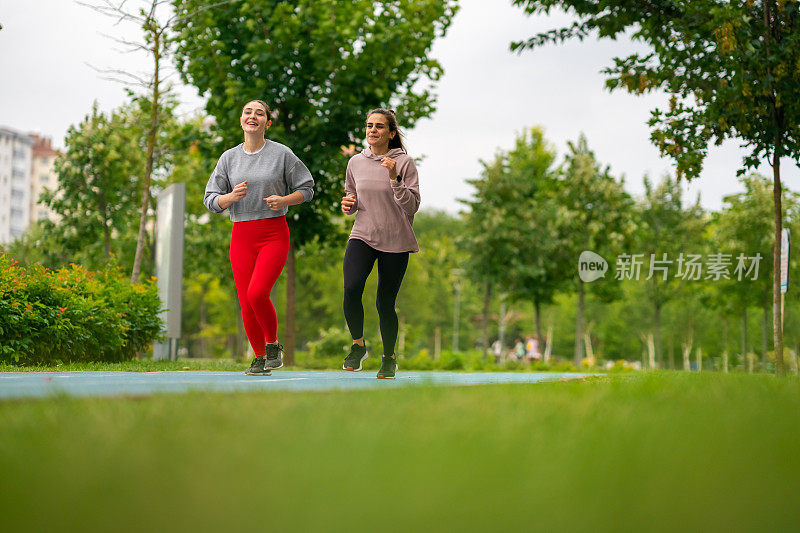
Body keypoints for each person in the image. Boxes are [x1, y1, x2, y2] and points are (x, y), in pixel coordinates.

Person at [204, 100, 314, 376]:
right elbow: (210, 200)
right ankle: (260, 356)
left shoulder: (282, 154)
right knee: (245, 301)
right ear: (241, 119)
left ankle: (273, 344)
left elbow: (307, 187)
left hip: (273, 233)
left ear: (267, 122)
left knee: (257, 293)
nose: (252, 116)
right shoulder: (228, 158)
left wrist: (285, 200)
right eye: (247, 112)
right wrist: (229, 198)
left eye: (259, 113)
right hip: (241, 233)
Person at [340, 108, 420, 379]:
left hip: (395, 240)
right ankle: (358, 346)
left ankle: (389, 358)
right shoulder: (355, 163)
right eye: (369, 126)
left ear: (391, 133)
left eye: (379, 127)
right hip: (363, 234)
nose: (372, 130)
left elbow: (413, 205)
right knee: (351, 288)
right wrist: (348, 205)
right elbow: (352, 197)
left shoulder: (404, 162)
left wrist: (394, 178)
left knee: (385, 303)